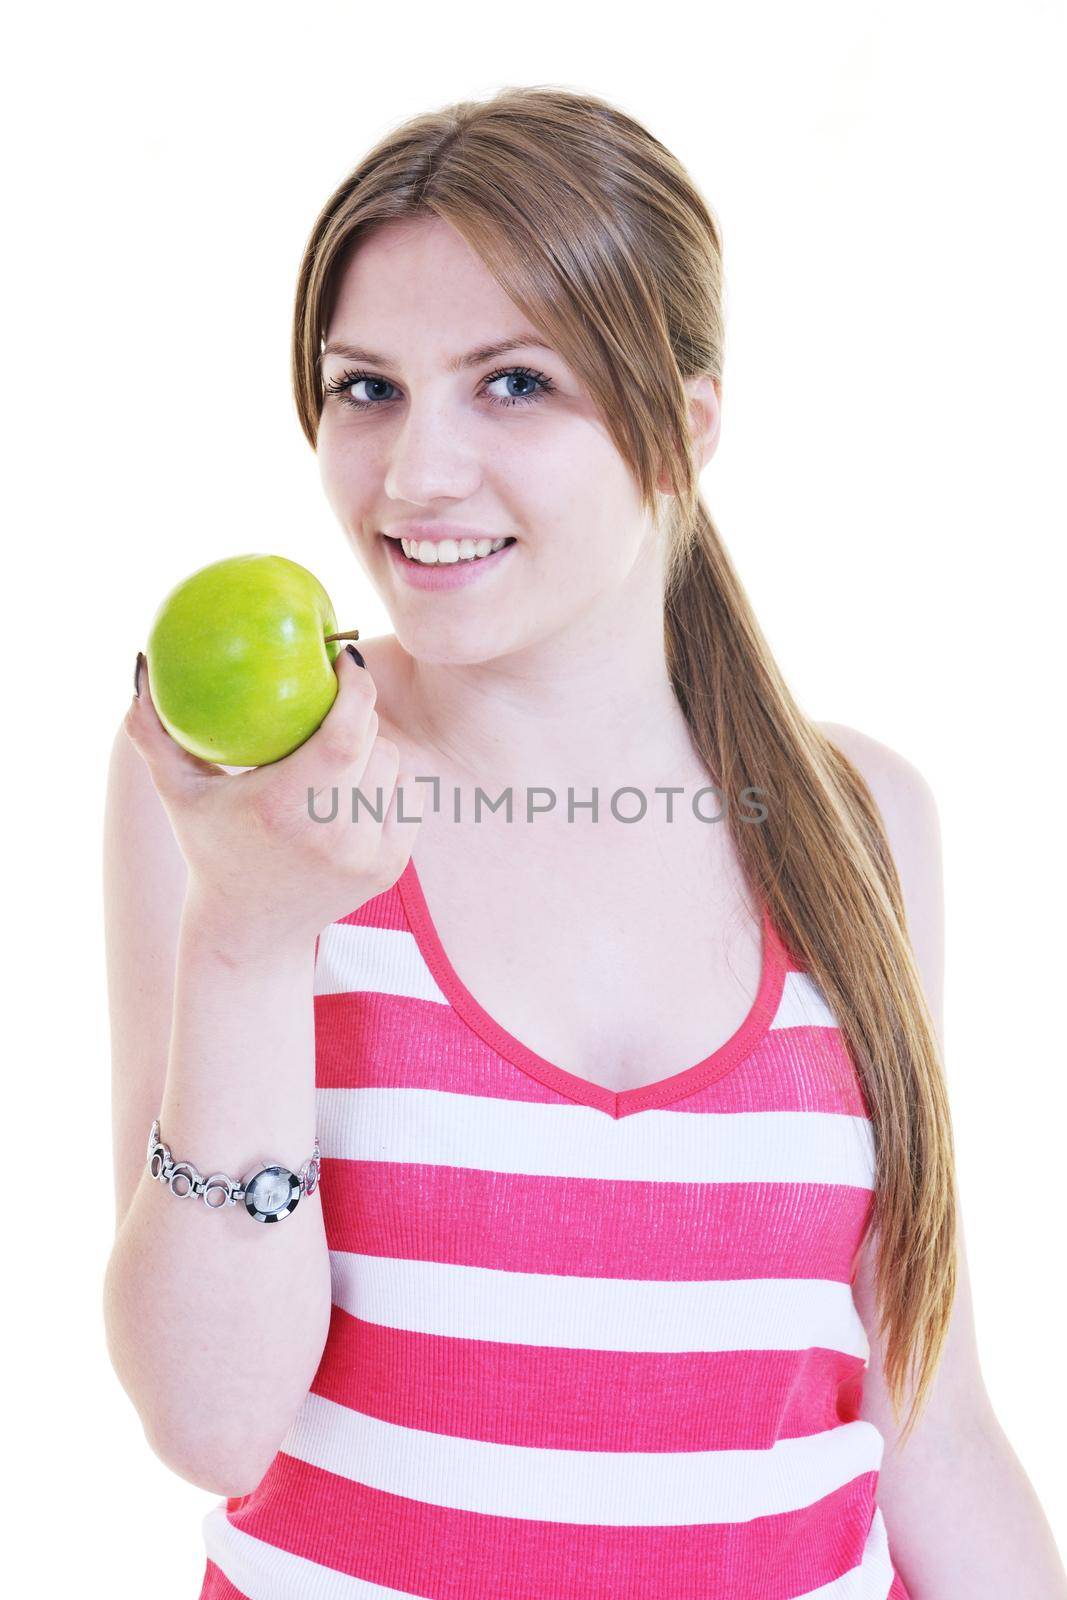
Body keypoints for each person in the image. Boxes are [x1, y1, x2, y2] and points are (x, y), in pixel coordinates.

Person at [103, 85, 1067, 1599]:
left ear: (682, 428)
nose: (414, 475)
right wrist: (247, 931)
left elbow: (930, 1428)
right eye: (366, 389)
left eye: (512, 385)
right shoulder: (252, 794)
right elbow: (213, 1423)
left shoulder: (860, 822)